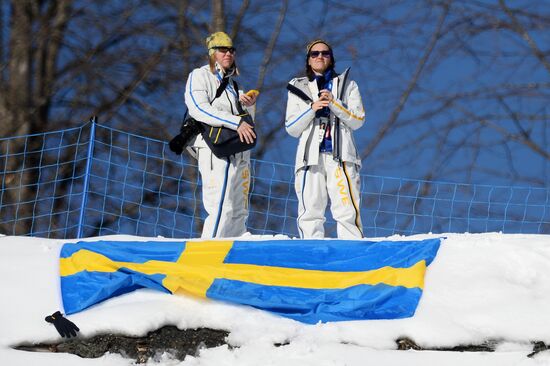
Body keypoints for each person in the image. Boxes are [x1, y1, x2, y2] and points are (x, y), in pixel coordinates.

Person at [285, 39, 365, 239]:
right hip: (309, 158)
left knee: (347, 209)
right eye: (315, 54)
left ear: (331, 58)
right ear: (308, 60)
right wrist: (312, 109)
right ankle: (311, 253)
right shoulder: (298, 86)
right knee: (309, 211)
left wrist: (334, 103)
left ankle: (352, 251)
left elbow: (358, 119)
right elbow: (291, 127)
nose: (320, 56)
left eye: (325, 53)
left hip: (341, 155)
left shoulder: (348, 85)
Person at [184, 31, 257, 238]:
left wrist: (248, 108)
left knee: (238, 210)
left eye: (231, 50)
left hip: (239, 149)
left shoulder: (235, 86)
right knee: (221, 204)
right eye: (222, 49)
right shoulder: (200, 75)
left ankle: (232, 258)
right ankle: (209, 255)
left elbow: (247, 122)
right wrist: (236, 122)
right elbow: (198, 108)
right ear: (212, 53)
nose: (228, 54)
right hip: (213, 147)